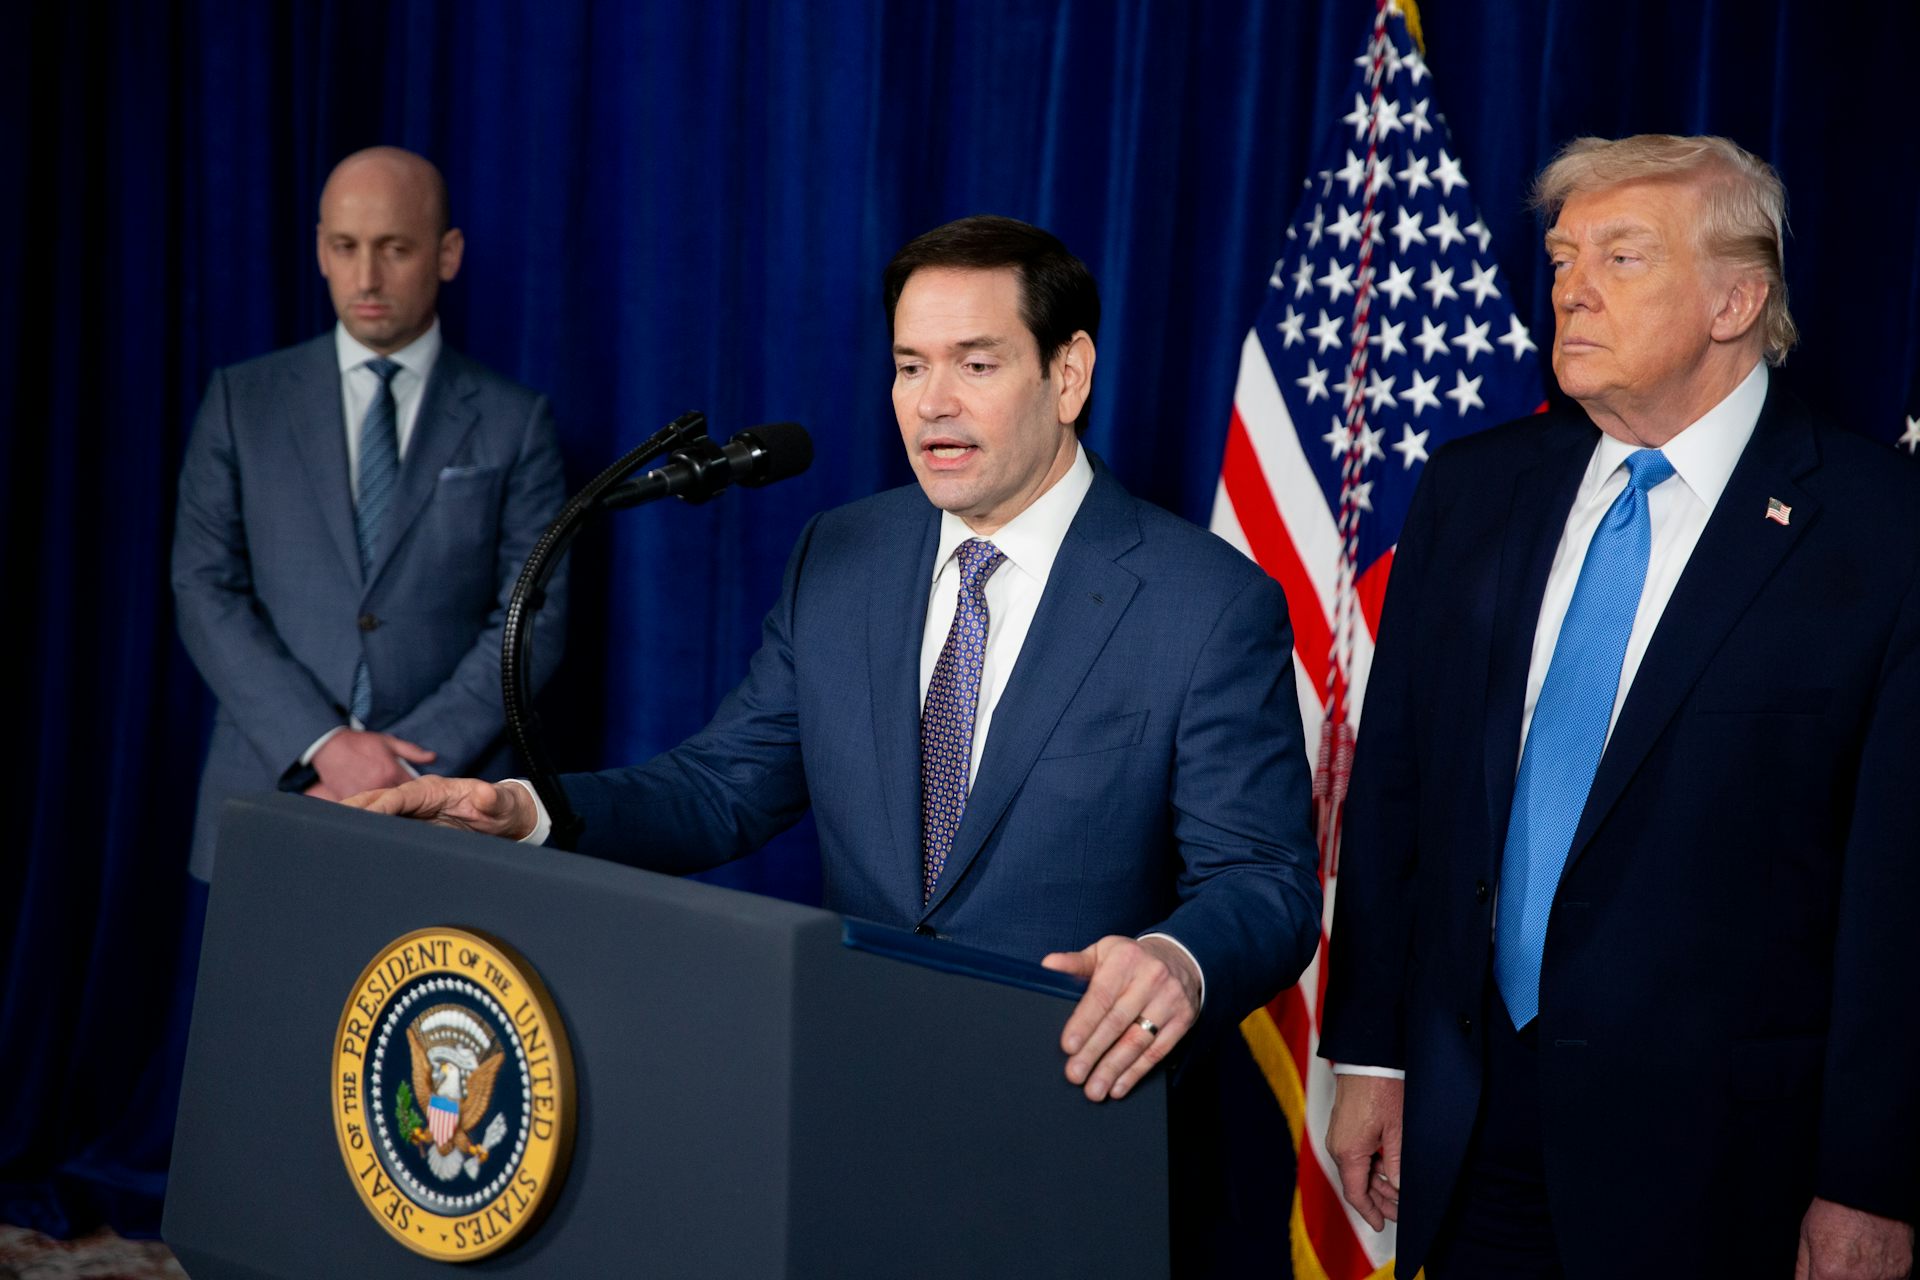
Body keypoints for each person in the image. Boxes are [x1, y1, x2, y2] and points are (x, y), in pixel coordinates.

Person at [350, 212, 1318, 1113]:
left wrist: (1177, 957)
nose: (932, 402)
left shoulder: (1205, 604)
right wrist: (529, 808)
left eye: (975, 363)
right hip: (857, 1092)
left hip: (1078, 1107)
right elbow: (722, 785)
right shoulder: (842, 556)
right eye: (908, 366)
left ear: (1068, 375)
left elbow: (1266, 881)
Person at [1319, 134, 1919, 1279]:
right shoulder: (1473, 489)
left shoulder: (1885, 532)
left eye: (1621, 257)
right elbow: (1399, 786)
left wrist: (1872, 1175)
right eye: (1560, 258)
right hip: (1473, 1123)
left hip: (1735, 1167)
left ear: (1736, 298)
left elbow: (1899, 894)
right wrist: (1373, 1055)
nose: (1570, 289)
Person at [173, 146, 568, 882]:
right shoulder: (242, 402)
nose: (367, 278)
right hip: (275, 783)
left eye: (395, 249)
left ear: (447, 255)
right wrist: (324, 742)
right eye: (346, 248)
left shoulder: (517, 423)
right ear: (320, 250)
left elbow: (532, 619)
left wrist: (400, 770)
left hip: (454, 802)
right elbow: (203, 588)